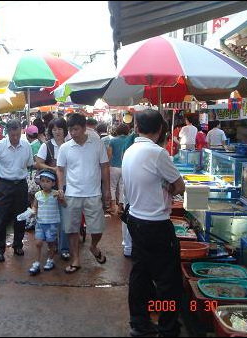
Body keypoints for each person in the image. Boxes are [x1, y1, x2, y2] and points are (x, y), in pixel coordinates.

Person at [122, 109, 185, 337]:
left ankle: (139, 323)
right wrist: (168, 187)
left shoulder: (130, 151)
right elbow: (180, 186)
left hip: (135, 220)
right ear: (160, 130)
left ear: (137, 128)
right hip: (156, 224)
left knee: (140, 273)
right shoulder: (158, 153)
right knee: (168, 280)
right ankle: (168, 328)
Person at [56, 113, 111, 274]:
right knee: (71, 229)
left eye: (76, 129)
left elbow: (105, 166)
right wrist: (61, 189)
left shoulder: (97, 144)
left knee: (98, 228)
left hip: (93, 193)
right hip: (72, 193)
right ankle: (76, 259)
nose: (72, 133)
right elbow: (60, 169)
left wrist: (107, 189)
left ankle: (93, 247)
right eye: (70, 130)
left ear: (84, 127)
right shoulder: (65, 147)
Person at [0, 119, 34, 262]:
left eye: (18, 135)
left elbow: (29, 164)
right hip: (4, 185)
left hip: (21, 185)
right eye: (13, 135)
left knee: (20, 217)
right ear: (8, 132)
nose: (15, 138)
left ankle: (18, 245)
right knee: (1, 217)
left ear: (21, 132)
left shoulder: (26, 146)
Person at [35, 117, 70, 260]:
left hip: (68, 186)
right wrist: (52, 168)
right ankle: (52, 245)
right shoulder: (47, 146)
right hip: (49, 188)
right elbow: (38, 163)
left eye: (60, 129)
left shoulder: (70, 145)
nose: (57, 132)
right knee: (51, 218)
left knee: (64, 219)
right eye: (54, 129)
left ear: (64, 130)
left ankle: (64, 248)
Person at [28, 170, 65, 275]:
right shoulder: (37, 195)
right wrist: (33, 211)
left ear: (53, 183)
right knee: (38, 243)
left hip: (52, 224)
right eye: (42, 181)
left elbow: (64, 205)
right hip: (40, 223)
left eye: (48, 181)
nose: (44, 183)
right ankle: (37, 262)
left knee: (51, 243)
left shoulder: (56, 194)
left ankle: (50, 259)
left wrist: (62, 198)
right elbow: (35, 206)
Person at [107, 123, 130, 215]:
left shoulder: (113, 141)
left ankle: (112, 207)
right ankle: (120, 208)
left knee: (112, 187)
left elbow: (109, 155)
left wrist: (107, 165)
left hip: (114, 166)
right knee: (122, 187)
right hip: (125, 167)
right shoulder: (129, 140)